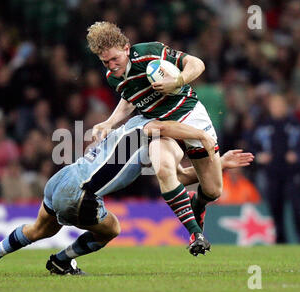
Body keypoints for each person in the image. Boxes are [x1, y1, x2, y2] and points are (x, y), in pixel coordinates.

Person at [0, 116, 254, 276]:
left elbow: (179, 176)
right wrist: (203, 137)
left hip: (62, 179)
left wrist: (221, 164)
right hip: (80, 192)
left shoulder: (134, 133)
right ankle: (61, 260)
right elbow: (164, 130)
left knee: (37, 230)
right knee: (112, 229)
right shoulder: (147, 126)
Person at [87, 21, 223, 242]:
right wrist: (109, 122)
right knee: (163, 169)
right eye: (105, 62)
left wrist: (178, 80)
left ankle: (198, 203)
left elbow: (196, 63)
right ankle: (196, 235)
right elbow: (130, 99)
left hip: (189, 115)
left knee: (213, 190)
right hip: (163, 128)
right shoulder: (113, 78)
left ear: (126, 48)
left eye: (115, 59)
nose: (111, 65)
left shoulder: (150, 53)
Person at [251, 94, 300, 243]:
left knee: (298, 209)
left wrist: (298, 157)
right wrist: (259, 157)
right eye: (274, 106)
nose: (277, 109)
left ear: (285, 107)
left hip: (293, 174)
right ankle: (280, 240)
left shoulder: (296, 125)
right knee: (275, 208)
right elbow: (251, 148)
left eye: (280, 105)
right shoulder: (263, 126)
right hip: (272, 173)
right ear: (270, 108)